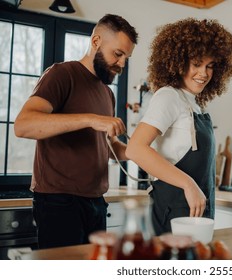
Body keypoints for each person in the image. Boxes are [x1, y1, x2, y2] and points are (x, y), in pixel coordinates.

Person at [14, 14, 138, 249]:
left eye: (126, 58)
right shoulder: (61, 74)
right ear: (96, 42)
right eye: (118, 54)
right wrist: (91, 120)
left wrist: (140, 150)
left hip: (96, 203)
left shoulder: (107, 93)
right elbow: (23, 125)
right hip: (58, 202)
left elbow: (110, 148)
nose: (122, 64)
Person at [125, 18, 232, 235]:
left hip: (197, 210)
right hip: (174, 210)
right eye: (196, 64)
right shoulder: (168, 96)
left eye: (210, 66)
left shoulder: (194, 103)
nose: (204, 73)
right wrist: (189, 184)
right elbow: (135, 148)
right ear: (178, 62)